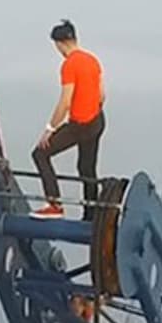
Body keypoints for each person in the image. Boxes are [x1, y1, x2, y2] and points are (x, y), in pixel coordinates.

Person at [30, 19, 105, 220]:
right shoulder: (92, 60)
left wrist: (49, 129)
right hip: (97, 121)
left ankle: (54, 205)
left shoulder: (69, 65)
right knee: (87, 168)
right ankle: (92, 214)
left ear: (60, 43)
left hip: (79, 125)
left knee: (39, 154)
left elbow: (65, 102)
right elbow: (102, 95)